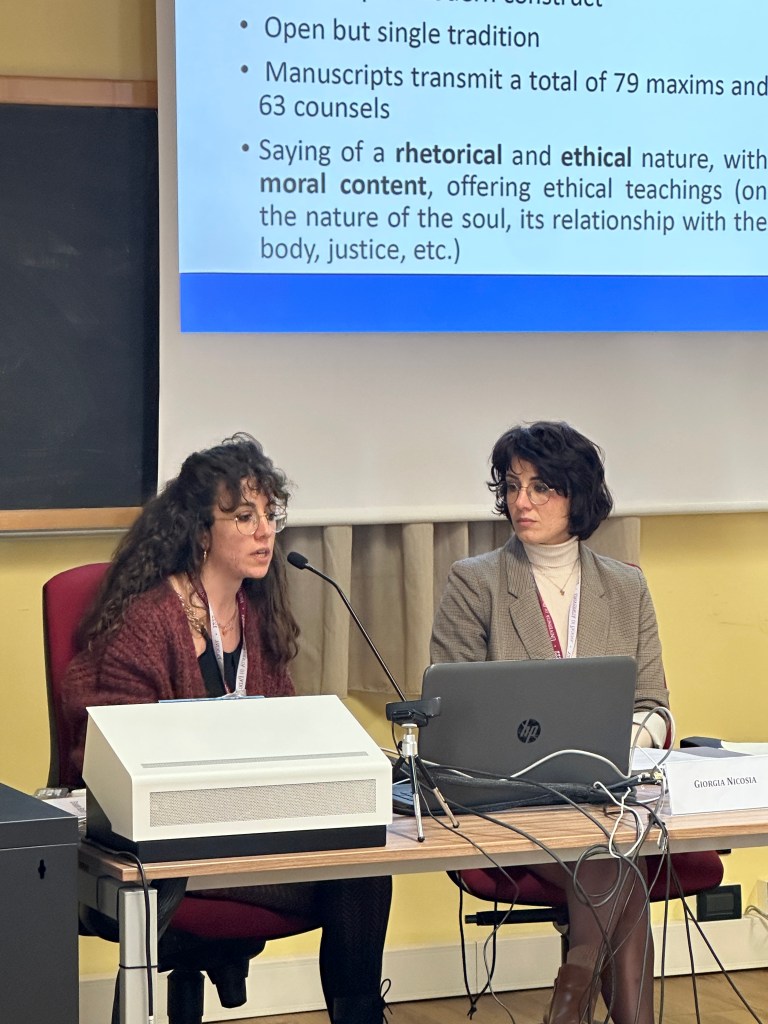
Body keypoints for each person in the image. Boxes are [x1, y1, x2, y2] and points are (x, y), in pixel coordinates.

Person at [62, 433, 391, 1024]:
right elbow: (108, 750)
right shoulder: (147, 620)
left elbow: (286, 730)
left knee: (362, 868)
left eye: (270, 515)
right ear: (200, 532)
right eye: (244, 517)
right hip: (169, 848)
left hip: (247, 831)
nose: (265, 532)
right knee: (339, 878)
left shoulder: (256, 615)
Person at [430, 421, 669, 1024]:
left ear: (577, 494)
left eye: (541, 487)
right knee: (616, 851)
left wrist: (615, 745)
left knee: (613, 838)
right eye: (513, 486)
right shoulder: (475, 582)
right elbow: (449, 713)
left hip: (606, 793)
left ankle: (572, 1003)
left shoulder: (627, 587)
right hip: (509, 798)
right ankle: (593, 1009)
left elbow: (655, 706)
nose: (522, 501)